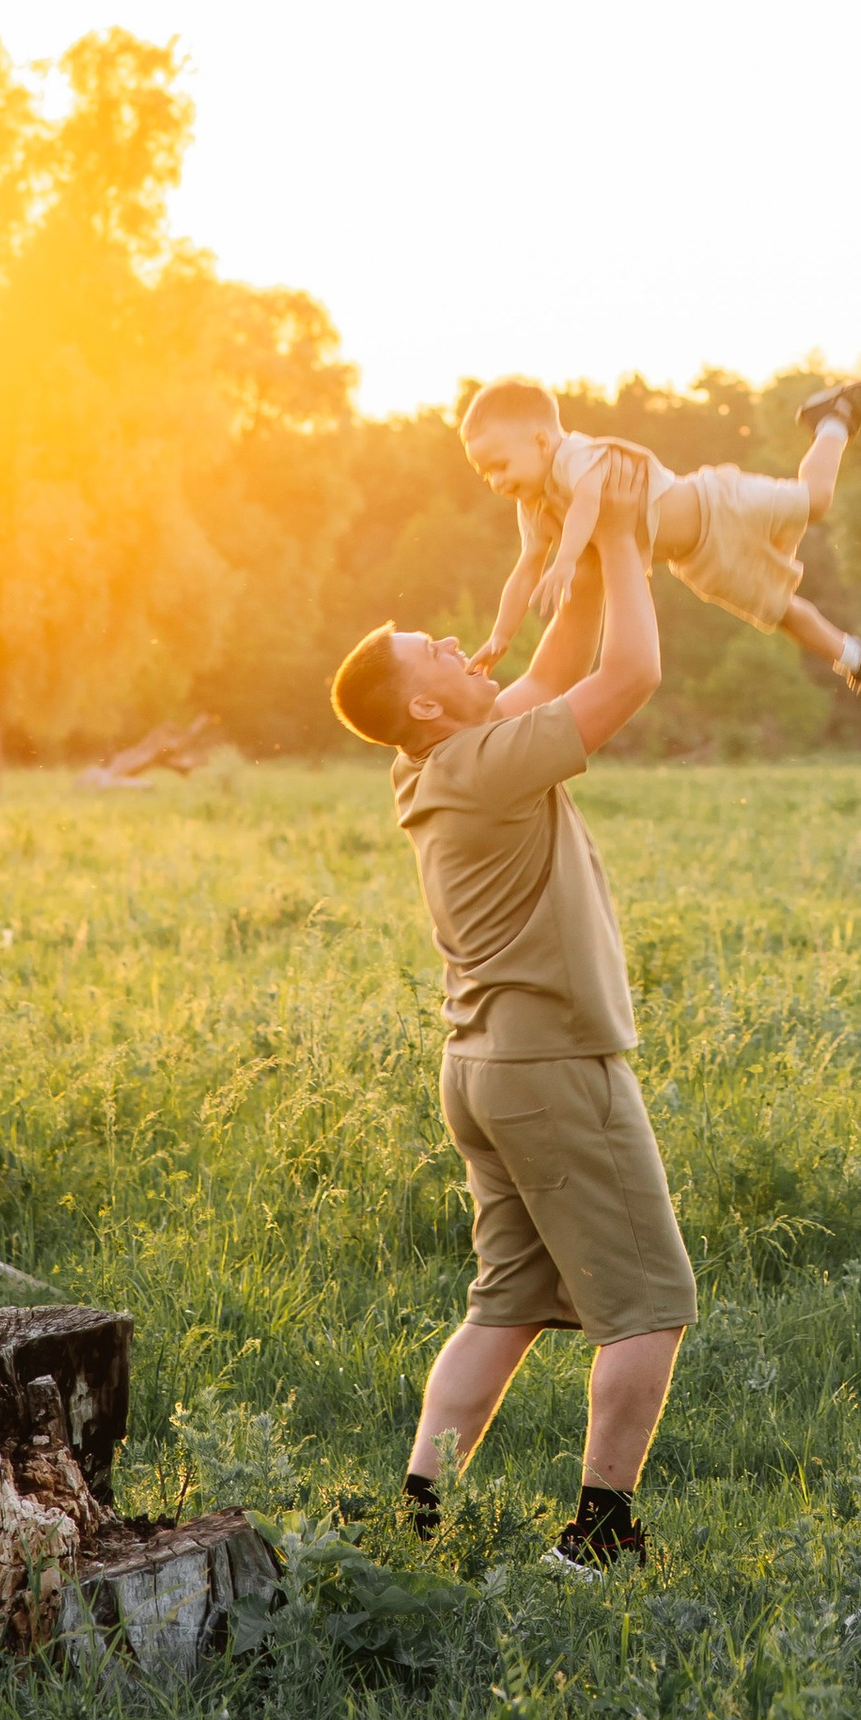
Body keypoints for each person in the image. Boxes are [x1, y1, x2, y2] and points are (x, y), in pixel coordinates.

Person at [327, 470, 693, 1571]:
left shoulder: (434, 762)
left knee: (508, 1303)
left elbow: (555, 659)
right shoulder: (485, 764)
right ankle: (598, 1534)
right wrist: (627, 535)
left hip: (482, 1071)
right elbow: (628, 671)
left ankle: (419, 1509)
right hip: (549, 1068)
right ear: (430, 705)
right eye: (428, 648)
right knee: (648, 1304)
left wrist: (566, 548)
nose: (450, 638)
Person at [461, 373, 861, 720]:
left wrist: (564, 561)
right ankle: (859, 658)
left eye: (500, 465)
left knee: (815, 500)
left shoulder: (574, 456)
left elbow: (590, 499)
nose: (497, 482)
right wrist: (501, 635)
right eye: (485, 475)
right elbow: (524, 570)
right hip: (697, 557)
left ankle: (835, 417)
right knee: (781, 610)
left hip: (717, 504)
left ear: (540, 441)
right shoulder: (535, 506)